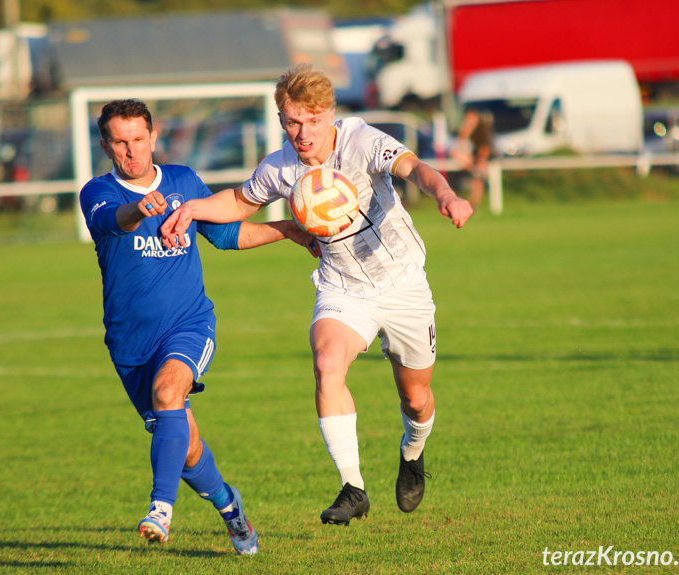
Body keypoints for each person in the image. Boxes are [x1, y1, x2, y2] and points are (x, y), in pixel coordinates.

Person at [161, 64, 473, 525]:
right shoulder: (280, 166)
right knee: (327, 365)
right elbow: (239, 201)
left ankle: (412, 452)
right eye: (291, 122)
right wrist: (193, 208)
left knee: (417, 399)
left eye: (310, 121)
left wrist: (446, 193)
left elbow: (414, 168)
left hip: (403, 283)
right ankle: (354, 487)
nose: (301, 133)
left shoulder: (360, 139)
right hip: (342, 286)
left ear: (329, 114)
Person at [78, 99, 315, 554]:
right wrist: (141, 210)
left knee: (169, 392)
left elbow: (224, 234)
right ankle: (230, 508)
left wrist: (285, 228)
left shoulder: (184, 181)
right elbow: (114, 221)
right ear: (106, 145)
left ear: (154, 136)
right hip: (130, 343)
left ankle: (160, 509)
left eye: (139, 140)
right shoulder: (96, 193)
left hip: (189, 323)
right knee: (185, 446)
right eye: (121, 143)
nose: (132, 151)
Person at [449, 108, 493, 208]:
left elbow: (484, 148)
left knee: (478, 178)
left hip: (475, 158)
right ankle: (473, 168)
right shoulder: (463, 130)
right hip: (466, 158)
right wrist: (464, 133)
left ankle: (474, 204)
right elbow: (459, 147)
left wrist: (480, 159)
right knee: (475, 171)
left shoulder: (481, 130)